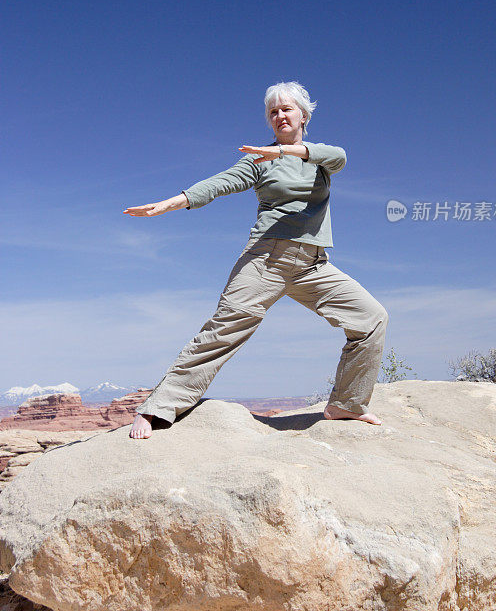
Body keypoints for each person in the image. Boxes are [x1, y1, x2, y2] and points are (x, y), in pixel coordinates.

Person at [124, 81, 389, 439]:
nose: (280, 115)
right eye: (273, 112)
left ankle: (347, 404)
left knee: (371, 318)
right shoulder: (258, 159)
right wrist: (173, 202)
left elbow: (339, 156)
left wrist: (288, 153)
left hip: (314, 264)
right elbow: (220, 183)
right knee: (223, 330)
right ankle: (157, 408)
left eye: (287, 109)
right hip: (266, 259)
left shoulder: (320, 159)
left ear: (303, 115)